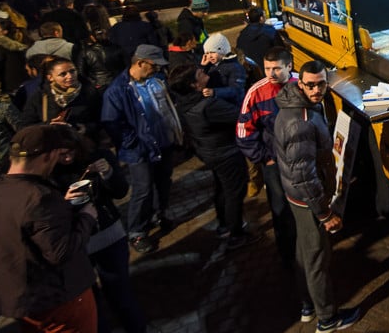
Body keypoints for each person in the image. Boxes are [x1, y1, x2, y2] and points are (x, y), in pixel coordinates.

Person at [0, 124, 99, 333]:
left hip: (24, 302)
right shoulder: (39, 196)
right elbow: (60, 252)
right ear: (49, 155)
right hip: (60, 299)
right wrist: (86, 218)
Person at [274, 59, 361, 333]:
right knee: (317, 259)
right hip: (306, 200)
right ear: (300, 84)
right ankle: (327, 319)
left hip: (296, 197)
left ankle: (307, 306)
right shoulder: (300, 122)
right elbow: (305, 177)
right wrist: (325, 214)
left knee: (304, 253)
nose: (316, 89)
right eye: (310, 85)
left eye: (321, 83)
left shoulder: (296, 107)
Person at [51, 128, 148, 333]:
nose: (67, 158)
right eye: (61, 154)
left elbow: (121, 191)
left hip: (108, 236)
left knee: (122, 297)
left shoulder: (99, 157)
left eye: (70, 152)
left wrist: (108, 174)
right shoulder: (48, 175)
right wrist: (64, 202)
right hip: (77, 245)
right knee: (91, 306)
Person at [102, 44, 182, 254]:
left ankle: (159, 214)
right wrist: (134, 143)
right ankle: (137, 232)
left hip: (163, 143)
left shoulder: (156, 81)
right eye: (154, 66)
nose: (157, 70)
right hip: (139, 151)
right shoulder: (117, 91)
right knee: (143, 189)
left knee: (163, 182)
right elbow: (112, 123)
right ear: (140, 63)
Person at [169, 63, 255, 249]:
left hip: (210, 152)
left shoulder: (185, 102)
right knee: (234, 193)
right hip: (226, 153)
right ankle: (236, 233)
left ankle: (224, 225)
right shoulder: (208, 105)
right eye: (200, 73)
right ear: (194, 84)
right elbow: (241, 116)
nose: (204, 72)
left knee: (222, 188)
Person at [236, 46, 298, 265]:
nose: (271, 74)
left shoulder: (301, 85)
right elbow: (244, 130)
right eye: (267, 68)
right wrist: (264, 158)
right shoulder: (256, 92)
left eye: (276, 69)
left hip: (300, 159)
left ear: (289, 66)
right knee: (280, 208)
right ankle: (288, 255)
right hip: (273, 162)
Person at [23, 56, 105, 145]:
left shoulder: (89, 93)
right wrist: (48, 125)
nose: (70, 76)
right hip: (53, 147)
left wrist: (85, 128)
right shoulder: (40, 96)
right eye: (63, 74)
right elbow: (27, 124)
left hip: (82, 147)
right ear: (50, 77)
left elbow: (101, 120)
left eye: (72, 71)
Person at [201, 33, 247, 107]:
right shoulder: (211, 66)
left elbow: (236, 89)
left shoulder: (235, 67)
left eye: (213, 52)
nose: (210, 56)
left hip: (234, 106)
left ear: (223, 51)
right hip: (219, 105)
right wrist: (203, 66)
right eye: (207, 53)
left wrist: (215, 92)